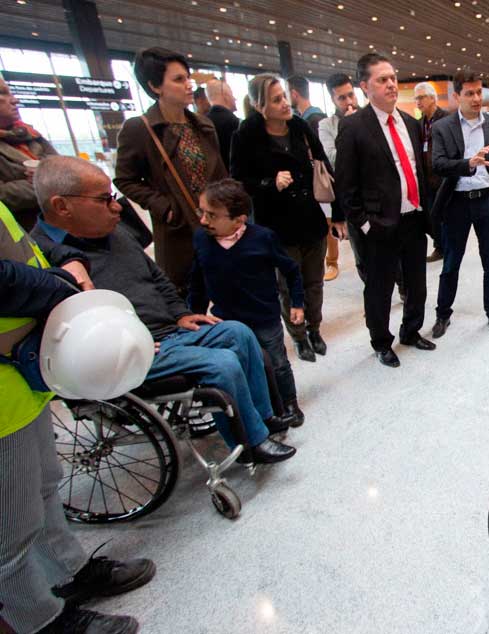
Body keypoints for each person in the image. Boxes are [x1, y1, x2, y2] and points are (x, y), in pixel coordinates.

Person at [31, 156, 296, 464]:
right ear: (62, 206)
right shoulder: (44, 257)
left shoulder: (115, 233)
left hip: (169, 332)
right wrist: (126, 342)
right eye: (105, 200)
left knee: (239, 333)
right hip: (128, 353)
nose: (117, 208)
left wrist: (180, 313)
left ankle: (262, 418)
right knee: (222, 362)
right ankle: (252, 443)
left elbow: (156, 277)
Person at [1, 200, 155, 634]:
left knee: (46, 488)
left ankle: (68, 574)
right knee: (10, 530)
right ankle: (41, 622)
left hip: (22, 379)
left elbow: (24, 247)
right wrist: (58, 282)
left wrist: (66, 259)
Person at [230, 73, 344, 363]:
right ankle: (298, 335)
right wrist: (269, 182)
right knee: (287, 286)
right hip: (276, 226)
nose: (285, 103)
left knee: (314, 282)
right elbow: (239, 182)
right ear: (259, 105)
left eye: (284, 96)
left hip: (310, 219)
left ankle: (314, 327)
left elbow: (325, 169)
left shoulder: (300, 127)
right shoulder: (246, 135)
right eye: (276, 99)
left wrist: (339, 214)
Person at [335, 53, 435, 368]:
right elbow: (346, 186)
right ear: (365, 86)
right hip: (379, 225)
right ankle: (381, 342)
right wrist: (364, 224)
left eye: (393, 77)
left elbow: (417, 171)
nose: (391, 84)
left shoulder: (409, 122)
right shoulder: (353, 127)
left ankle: (411, 331)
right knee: (379, 289)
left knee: (417, 283)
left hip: (413, 220)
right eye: (382, 79)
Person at [189, 178, 306, 427]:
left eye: (211, 215)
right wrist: (194, 315)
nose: (203, 220)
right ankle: (258, 410)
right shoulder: (201, 239)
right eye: (201, 212)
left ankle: (289, 404)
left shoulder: (263, 238)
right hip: (226, 321)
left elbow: (292, 270)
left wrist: (297, 303)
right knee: (241, 367)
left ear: (239, 219)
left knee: (277, 363)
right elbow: (197, 282)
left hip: (263, 317)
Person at [114, 47, 227, 297]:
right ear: (155, 86)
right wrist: (164, 206)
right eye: (178, 79)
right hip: (179, 230)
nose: (188, 85)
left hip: (216, 223)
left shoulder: (203, 125)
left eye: (187, 78)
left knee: (225, 292)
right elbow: (124, 178)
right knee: (188, 299)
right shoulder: (139, 129)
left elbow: (219, 173)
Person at [430, 69, 489, 339]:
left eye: (479, 92)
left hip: (486, 203)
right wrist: (468, 164)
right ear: (456, 96)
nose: (477, 98)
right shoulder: (442, 127)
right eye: (470, 93)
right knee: (451, 263)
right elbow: (439, 164)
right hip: (455, 204)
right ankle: (443, 313)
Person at [0, 72, 59, 231]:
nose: (15, 100)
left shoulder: (30, 134)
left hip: (65, 221)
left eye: (10, 92)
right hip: (27, 231)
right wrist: (44, 182)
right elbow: (3, 195)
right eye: (2, 93)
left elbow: (63, 169)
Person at [317, 73, 359, 282]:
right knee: (361, 254)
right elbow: (332, 158)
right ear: (333, 100)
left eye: (351, 95)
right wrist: (349, 129)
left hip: (379, 195)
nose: (349, 101)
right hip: (351, 199)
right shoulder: (327, 125)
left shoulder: (370, 117)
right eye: (342, 98)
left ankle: (402, 286)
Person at [413, 81, 448, 262]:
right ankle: (440, 246)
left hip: (443, 179)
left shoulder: (447, 119)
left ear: (433, 98)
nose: (417, 102)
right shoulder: (418, 124)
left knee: (444, 216)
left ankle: (445, 247)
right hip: (426, 180)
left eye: (421, 97)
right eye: (415, 99)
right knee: (432, 216)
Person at [204, 78, 240, 166]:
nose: (235, 99)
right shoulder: (234, 122)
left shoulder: (203, 123)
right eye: (232, 94)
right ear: (226, 96)